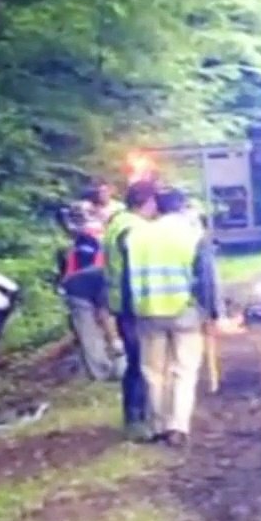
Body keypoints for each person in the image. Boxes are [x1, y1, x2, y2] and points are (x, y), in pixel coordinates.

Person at [123, 187, 220, 447]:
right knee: (184, 370)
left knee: (153, 372)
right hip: (185, 312)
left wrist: (126, 311)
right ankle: (178, 426)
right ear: (182, 206)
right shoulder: (193, 234)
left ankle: (157, 426)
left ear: (158, 206)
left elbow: (125, 278)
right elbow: (206, 278)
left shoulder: (136, 235)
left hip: (147, 311)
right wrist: (212, 313)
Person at [103, 181, 158, 439]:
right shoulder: (133, 228)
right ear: (146, 202)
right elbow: (132, 271)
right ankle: (137, 419)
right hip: (132, 305)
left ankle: (135, 416)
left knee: (137, 362)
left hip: (121, 303)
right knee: (141, 361)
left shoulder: (118, 222)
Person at [57, 201, 123, 381]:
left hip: (81, 280)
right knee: (89, 333)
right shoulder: (110, 278)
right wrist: (116, 342)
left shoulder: (89, 238)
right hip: (77, 289)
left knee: (93, 331)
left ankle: (104, 368)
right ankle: (101, 372)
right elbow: (104, 312)